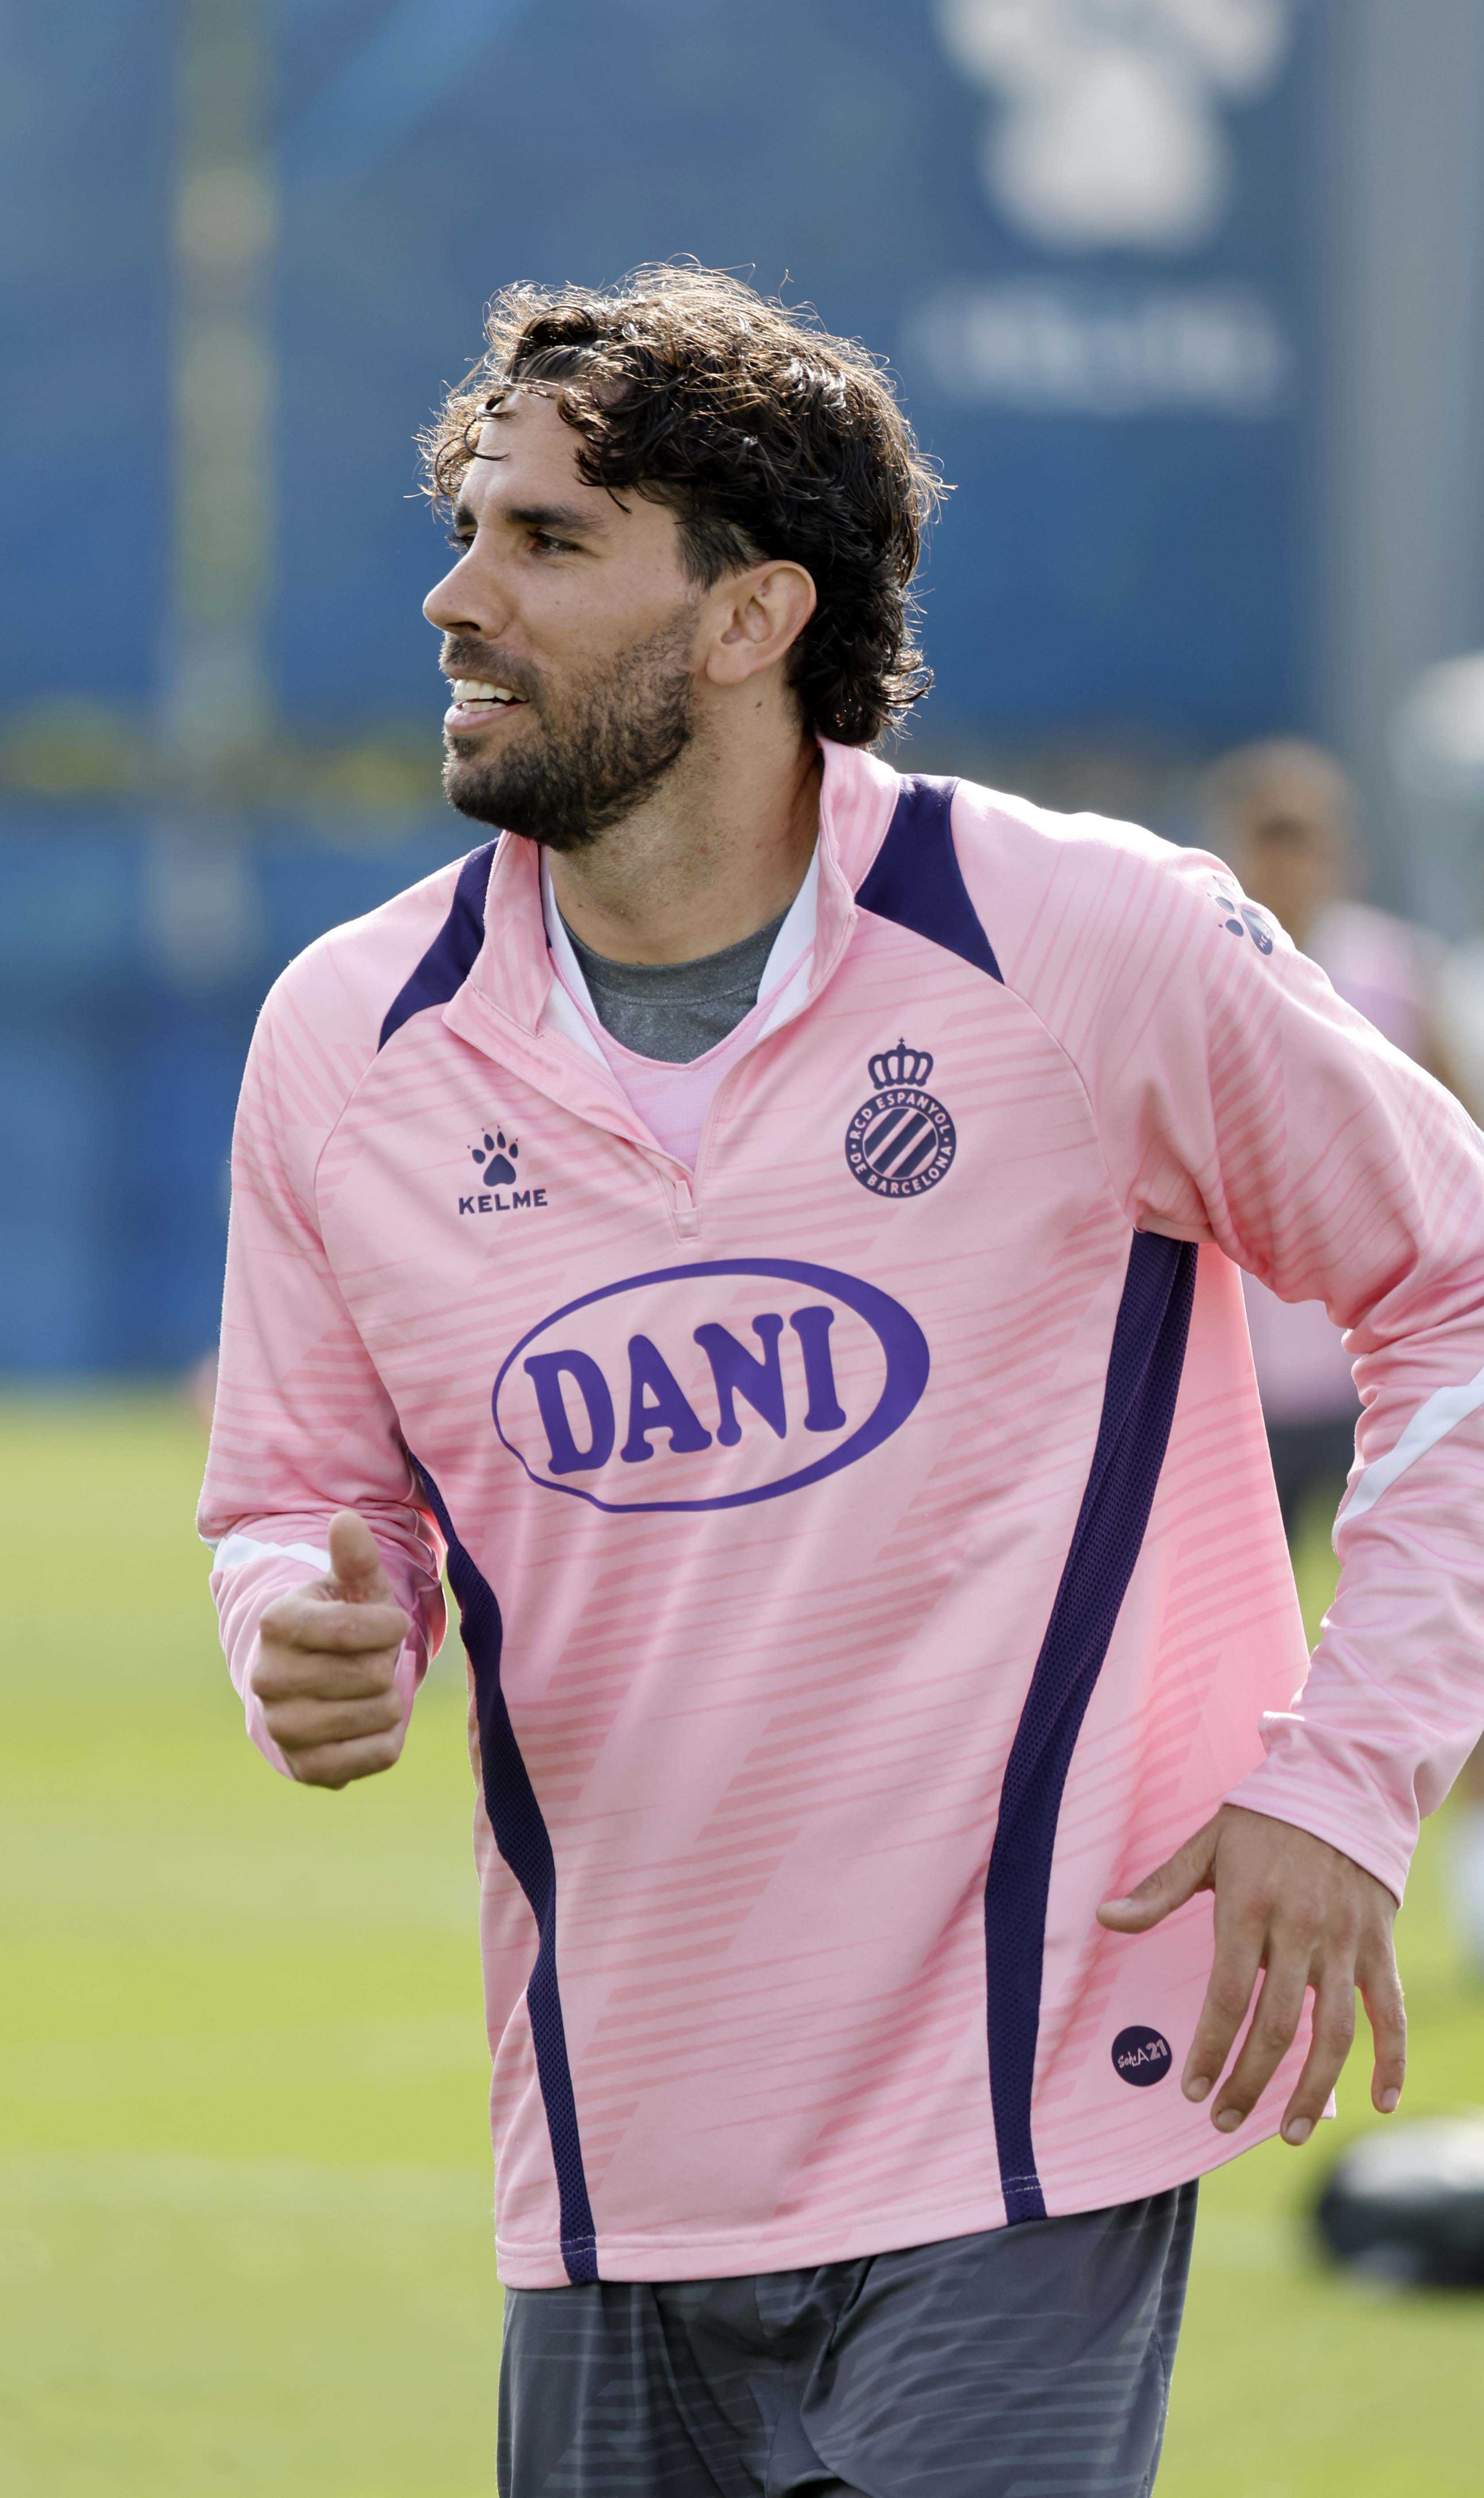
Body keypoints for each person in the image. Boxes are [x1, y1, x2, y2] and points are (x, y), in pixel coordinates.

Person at [198, 267, 1484, 2497]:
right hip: (609, 2146)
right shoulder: (345, 1039)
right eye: (469, 528)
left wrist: (1347, 1776)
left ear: (750, 614)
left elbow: (1456, 1285)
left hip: (1024, 2112)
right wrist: (308, 1627)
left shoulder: (1082, 936)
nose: (456, 597)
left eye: (547, 539)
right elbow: (300, 1497)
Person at [1205, 742, 1484, 1985]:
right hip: (1245, 1389)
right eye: (1268, 836)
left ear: (1338, 850)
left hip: (1380, 1381)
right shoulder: (1201, 965)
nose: (1289, 861)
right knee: (1231, 1657)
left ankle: (1467, 1887)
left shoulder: (1392, 973)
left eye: (1305, 837)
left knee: (1429, 1621)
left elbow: (1458, 1148)